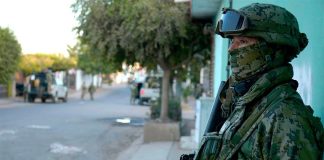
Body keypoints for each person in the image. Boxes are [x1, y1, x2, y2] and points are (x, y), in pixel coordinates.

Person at [194, 3, 324, 160]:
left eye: (242, 41)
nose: (231, 49)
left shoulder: (287, 119)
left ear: (272, 49)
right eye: (232, 40)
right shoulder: (245, 101)